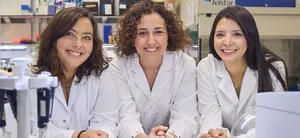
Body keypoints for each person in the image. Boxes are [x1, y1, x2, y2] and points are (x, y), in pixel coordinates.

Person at [110, 1, 198, 138]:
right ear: (132, 38)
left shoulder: (185, 65)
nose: (151, 41)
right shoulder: (119, 66)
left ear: (168, 36)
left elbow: (185, 114)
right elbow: (125, 115)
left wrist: (171, 136)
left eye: (158, 32)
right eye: (142, 33)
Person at [197, 5, 287, 138]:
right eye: (220, 34)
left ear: (250, 38)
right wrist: (214, 134)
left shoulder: (272, 67)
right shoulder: (206, 67)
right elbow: (209, 114)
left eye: (237, 34)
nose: (227, 42)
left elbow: (276, 121)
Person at [30, 7, 120, 138]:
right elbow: (32, 126)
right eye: (70, 34)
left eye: (86, 37)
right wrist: (77, 135)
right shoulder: (31, 72)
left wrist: (100, 134)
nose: (78, 44)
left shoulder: (102, 72)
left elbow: (107, 119)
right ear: (54, 38)